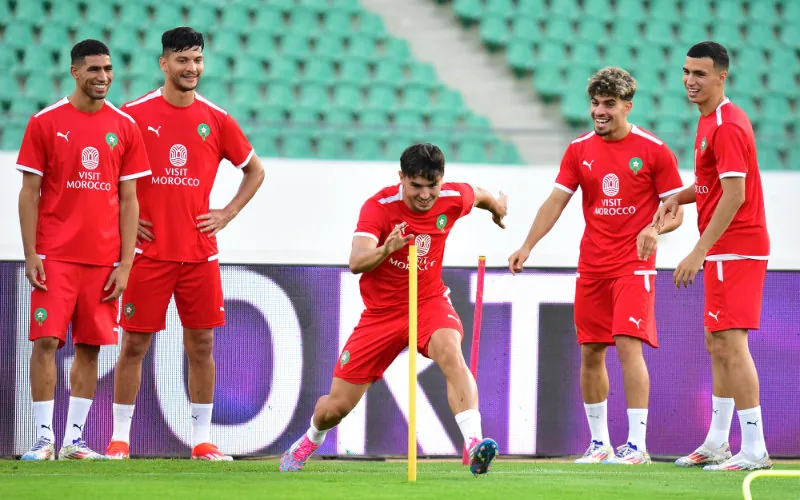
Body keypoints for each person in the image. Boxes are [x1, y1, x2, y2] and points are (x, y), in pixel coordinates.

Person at [279, 143, 506, 475]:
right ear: (401, 178)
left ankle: (474, 444)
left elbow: (481, 194)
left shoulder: (453, 198)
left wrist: (497, 207)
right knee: (335, 408)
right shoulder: (378, 208)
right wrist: (388, 248)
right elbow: (357, 261)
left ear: (442, 180)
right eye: (416, 186)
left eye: (433, 185)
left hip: (429, 302)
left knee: (449, 350)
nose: (426, 195)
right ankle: (310, 439)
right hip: (382, 314)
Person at [509, 67, 685, 465]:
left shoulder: (654, 150)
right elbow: (555, 201)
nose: (599, 111)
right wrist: (528, 245)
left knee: (628, 347)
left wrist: (655, 229)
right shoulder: (579, 150)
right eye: (594, 104)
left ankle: (637, 445)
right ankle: (599, 443)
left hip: (633, 265)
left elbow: (676, 211)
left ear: (627, 106)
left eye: (608, 104)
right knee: (590, 351)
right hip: (591, 265)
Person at [104, 27, 265, 461]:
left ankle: (201, 441)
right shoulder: (133, 115)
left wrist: (227, 213)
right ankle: (120, 440)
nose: (191, 68)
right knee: (134, 345)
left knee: (202, 347)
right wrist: (125, 219)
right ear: (164, 64)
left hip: (199, 254)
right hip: (147, 255)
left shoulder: (216, 118)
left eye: (197, 60)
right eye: (182, 60)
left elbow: (255, 171)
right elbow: (105, 173)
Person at [17, 40, 151, 460]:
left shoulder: (124, 126)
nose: (103, 77)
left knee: (90, 347)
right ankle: (43, 439)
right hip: (55, 255)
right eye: (94, 69)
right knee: (46, 341)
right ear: (75, 72)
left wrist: (126, 262)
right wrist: (31, 252)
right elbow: (29, 192)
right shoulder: (45, 122)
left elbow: (130, 200)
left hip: (102, 259)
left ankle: (74, 439)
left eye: (108, 69)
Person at [655, 41, 771, 471]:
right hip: (727, 248)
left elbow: (735, 195)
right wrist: (679, 199)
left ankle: (755, 448)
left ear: (722, 76)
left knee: (731, 343)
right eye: (687, 71)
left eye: (700, 73)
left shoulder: (725, 125)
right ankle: (719, 441)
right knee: (716, 342)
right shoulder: (709, 120)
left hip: (736, 248)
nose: (690, 80)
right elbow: (712, 183)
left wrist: (698, 252)